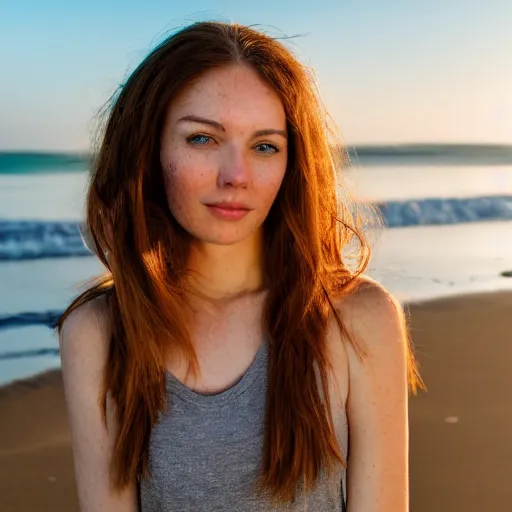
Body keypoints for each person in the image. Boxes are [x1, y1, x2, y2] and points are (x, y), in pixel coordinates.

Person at [57, 21, 423, 512]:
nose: (236, 176)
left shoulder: (357, 319)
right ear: (149, 148)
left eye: (264, 146)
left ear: (292, 163)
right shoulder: (98, 333)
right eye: (203, 139)